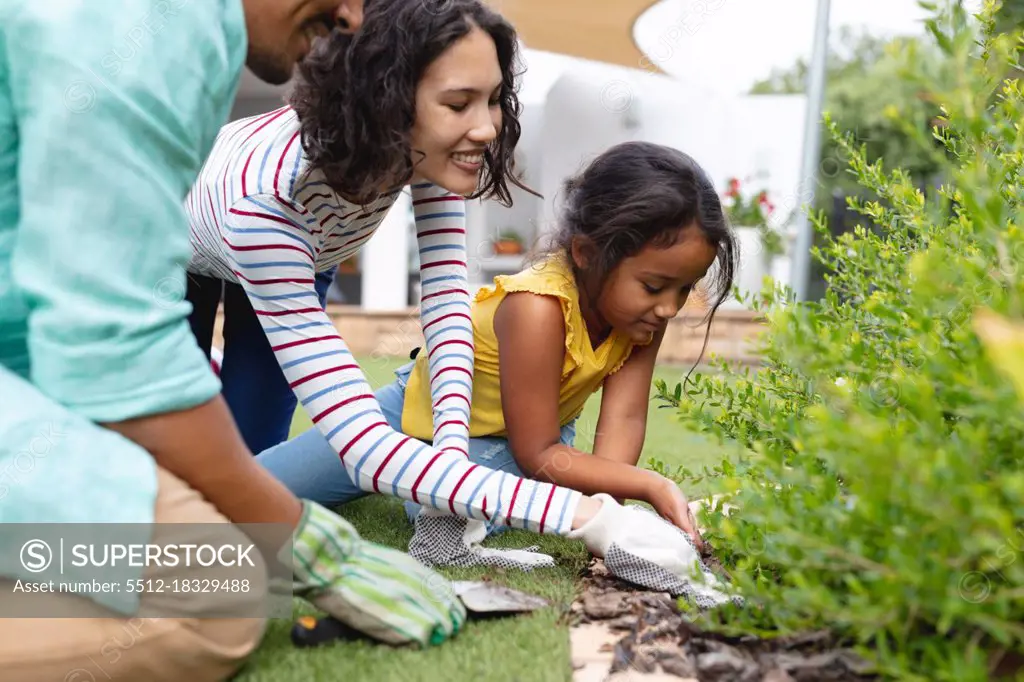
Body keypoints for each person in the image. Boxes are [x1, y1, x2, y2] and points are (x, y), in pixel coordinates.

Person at [0, 1, 485, 680]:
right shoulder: (152, 31)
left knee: (226, 491)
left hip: (45, 362)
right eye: (461, 100)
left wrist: (452, 476)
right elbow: (120, 356)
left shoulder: (205, 33)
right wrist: (315, 551)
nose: (352, 15)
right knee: (219, 592)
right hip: (193, 256)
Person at [184, 0, 720, 587]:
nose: (488, 127)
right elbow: (364, 446)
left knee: (252, 475)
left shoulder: (425, 156)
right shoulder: (265, 205)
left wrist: (450, 464)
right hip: (187, 250)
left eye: (493, 99)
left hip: (309, 249)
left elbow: (446, 318)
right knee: (196, 488)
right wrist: (592, 518)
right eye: (459, 103)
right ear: (385, 102)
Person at [257, 140, 741, 601]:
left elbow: (625, 418)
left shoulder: (640, 320)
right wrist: (651, 485)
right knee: (259, 493)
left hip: (507, 445)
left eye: (683, 289)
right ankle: (414, 487)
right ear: (587, 253)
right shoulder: (538, 307)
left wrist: (607, 510)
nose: (668, 308)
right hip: (410, 420)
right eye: (655, 285)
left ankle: (426, 493)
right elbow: (538, 455)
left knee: (466, 498)